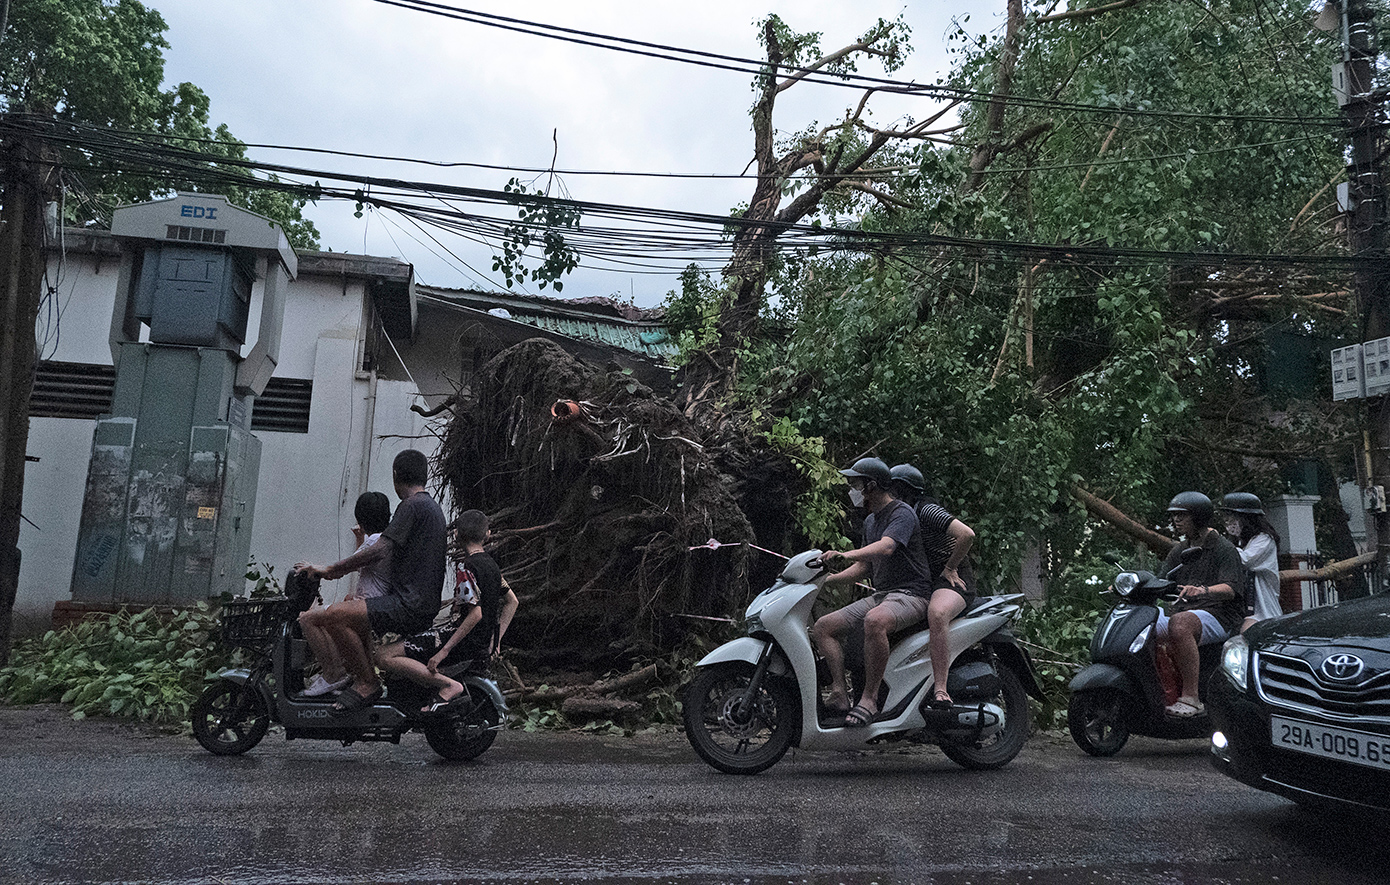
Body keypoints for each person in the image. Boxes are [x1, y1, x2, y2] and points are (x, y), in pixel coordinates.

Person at [297, 449, 447, 713]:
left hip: (406, 603)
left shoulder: (411, 506)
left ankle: (366, 682)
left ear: (396, 475)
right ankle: (358, 677)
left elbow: (379, 550)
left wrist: (331, 569)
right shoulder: (431, 508)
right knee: (347, 610)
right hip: (419, 601)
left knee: (335, 615)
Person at [811, 457, 936, 728]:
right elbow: (864, 567)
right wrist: (825, 580)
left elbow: (886, 548)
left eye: (855, 484)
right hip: (884, 594)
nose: (851, 490)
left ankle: (869, 699)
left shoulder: (901, 513)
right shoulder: (870, 521)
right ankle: (840, 694)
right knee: (823, 627)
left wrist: (844, 553)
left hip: (911, 594)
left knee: (875, 620)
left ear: (872, 486)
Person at [376, 509, 518, 712]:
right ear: (487, 534)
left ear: (456, 535)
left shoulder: (466, 568)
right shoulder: (493, 567)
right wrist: (496, 642)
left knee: (383, 655)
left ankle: (448, 685)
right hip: (478, 643)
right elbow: (512, 602)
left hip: (460, 642)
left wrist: (443, 652)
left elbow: (474, 614)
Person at [1158, 491, 1245, 718]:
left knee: (1180, 624)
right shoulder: (1179, 550)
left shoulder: (1223, 549)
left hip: (1220, 615)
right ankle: (1159, 690)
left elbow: (1231, 589)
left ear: (1199, 516)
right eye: (1175, 516)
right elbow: (1161, 581)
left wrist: (1204, 590)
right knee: (1145, 622)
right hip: (1186, 611)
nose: (1176, 520)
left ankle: (1191, 698)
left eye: (1182, 516)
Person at [299, 490, 394, 698]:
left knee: (307, 619)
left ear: (360, 519)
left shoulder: (374, 542)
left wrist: (314, 568)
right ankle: (344, 672)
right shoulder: (382, 541)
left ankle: (333, 674)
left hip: (367, 606)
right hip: (372, 605)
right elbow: (361, 563)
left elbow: (344, 567)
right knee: (335, 609)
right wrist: (360, 538)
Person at [888, 464, 978, 599]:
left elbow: (966, 534)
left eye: (892, 491)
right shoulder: (897, 515)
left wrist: (950, 568)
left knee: (937, 613)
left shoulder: (926, 510)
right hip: (922, 579)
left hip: (949, 575)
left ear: (903, 490)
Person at [1221, 492, 1282, 633]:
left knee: (1244, 639)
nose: (1229, 521)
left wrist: (1218, 544)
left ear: (1247, 518)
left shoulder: (1264, 540)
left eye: (1233, 516)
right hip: (1238, 612)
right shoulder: (1240, 542)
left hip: (1262, 612)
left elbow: (1243, 561)